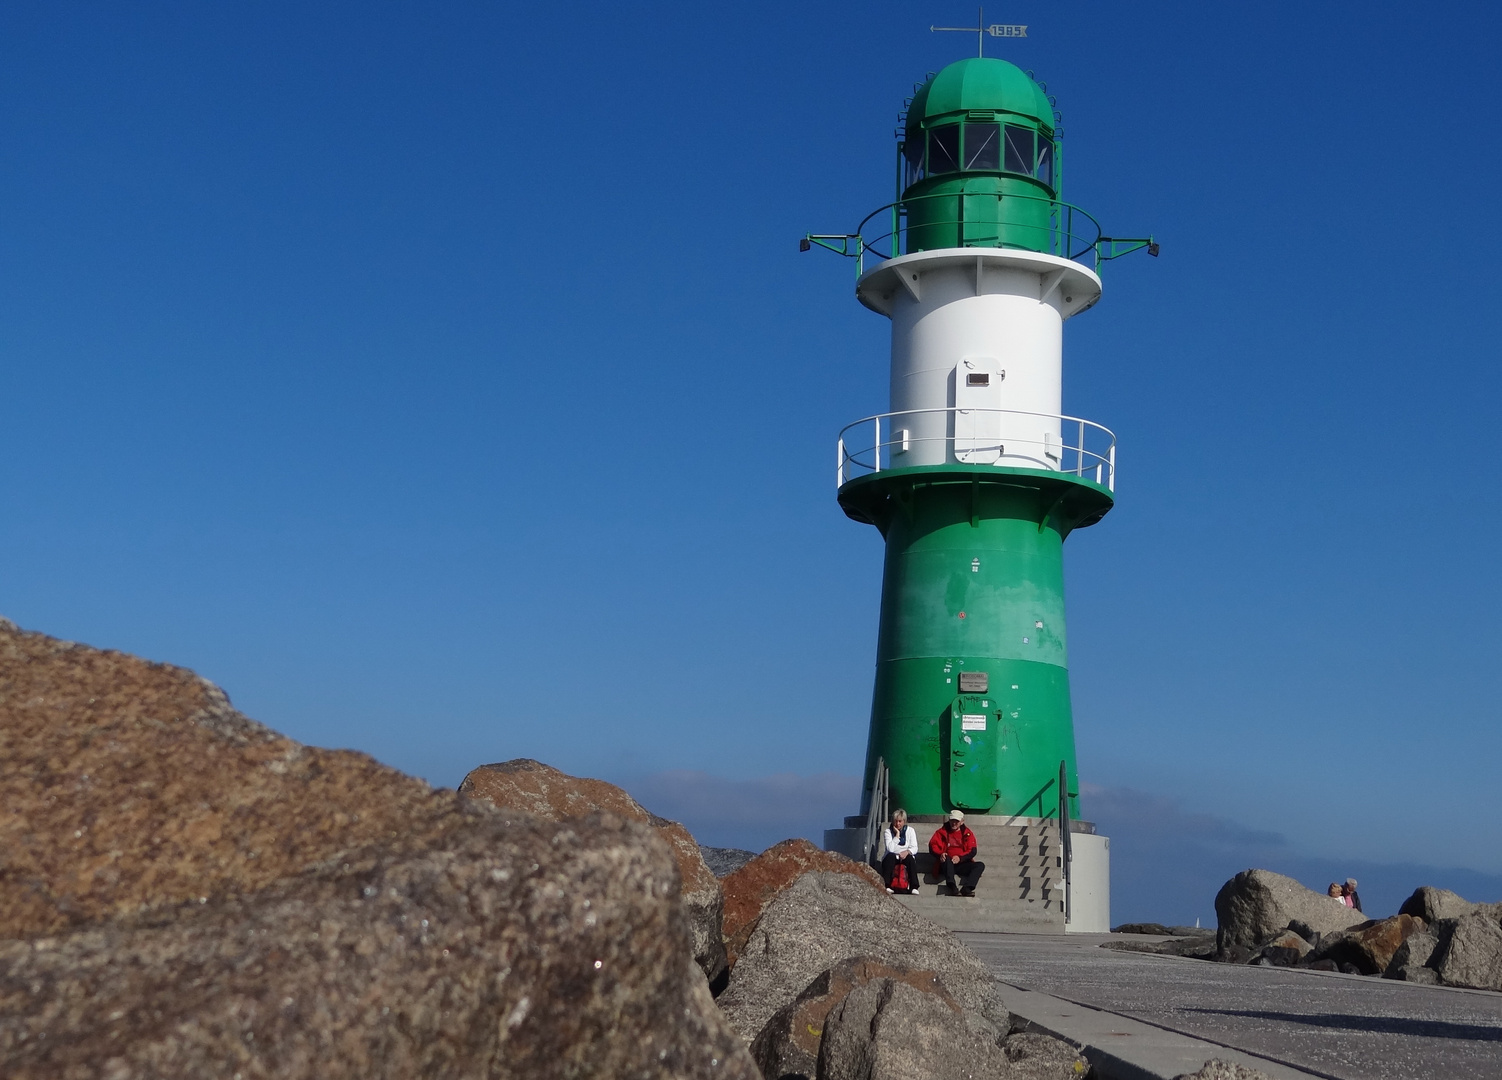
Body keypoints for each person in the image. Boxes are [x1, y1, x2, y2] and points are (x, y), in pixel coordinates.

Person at [928, 810, 985, 896]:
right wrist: (941, 854)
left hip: (962, 863)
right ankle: (952, 886)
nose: (954, 823)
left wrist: (960, 858)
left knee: (980, 865)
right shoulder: (941, 832)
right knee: (947, 858)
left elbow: (972, 850)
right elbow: (933, 846)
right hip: (946, 863)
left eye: (957, 821)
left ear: (962, 822)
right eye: (952, 820)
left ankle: (967, 888)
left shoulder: (968, 833)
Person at [878, 809, 920, 894]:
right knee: (890, 857)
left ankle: (914, 887)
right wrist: (897, 836)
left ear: (904, 821)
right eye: (895, 821)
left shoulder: (910, 831)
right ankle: (887, 885)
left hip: (905, 856)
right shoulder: (888, 832)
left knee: (910, 859)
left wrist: (907, 852)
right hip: (892, 857)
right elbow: (890, 848)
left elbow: (914, 847)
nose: (898, 824)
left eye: (900, 821)